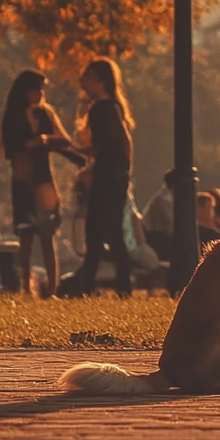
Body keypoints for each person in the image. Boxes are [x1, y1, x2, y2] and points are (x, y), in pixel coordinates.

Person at [0, 69, 74, 298]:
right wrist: (31, 143)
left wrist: (44, 139)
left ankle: (52, 289)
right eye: (36, 89)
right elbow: (10, 149)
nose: (40, 93)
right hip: (22, 179)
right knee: (26, 235)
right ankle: (25, 286)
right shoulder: (13, 116)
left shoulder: (46, 114)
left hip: (43, 180)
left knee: (46, 233)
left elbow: (64, 140)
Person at [74, 57, 135, 298]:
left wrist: (72, 149)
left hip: (108, 178)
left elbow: (107, 146)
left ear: (101, 82)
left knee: (102, 231)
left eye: (89, 77)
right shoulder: (110, 108)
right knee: (103, 231)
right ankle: (98, 285)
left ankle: (108, 285)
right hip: (112, 176)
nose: (84, 82)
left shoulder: (104, 109)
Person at [141, 170, 177, 261]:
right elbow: (171, 226)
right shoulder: (164, 200)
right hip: (155, 237)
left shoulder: (168, 197)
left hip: (159, 236)